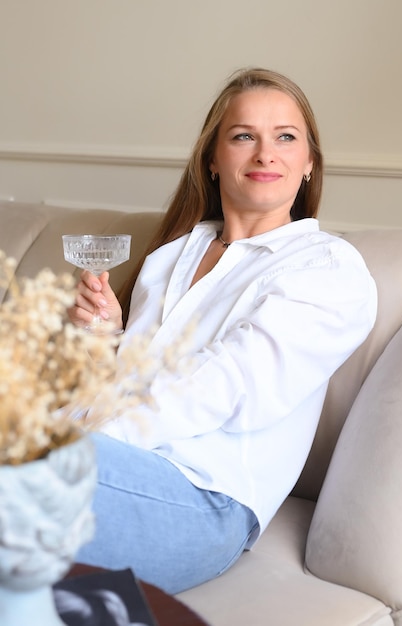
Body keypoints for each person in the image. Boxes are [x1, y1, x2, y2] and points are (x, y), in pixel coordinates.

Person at [68, 67, 377, 594]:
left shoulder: (328, 269)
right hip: (110, 465)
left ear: (308, 164)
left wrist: (69, 439)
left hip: (202, 499)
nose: (265, 153)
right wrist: (105, 340)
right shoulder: (169, 258)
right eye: (243, 136)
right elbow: (121, 384)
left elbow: (226, 386)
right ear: (213, 160)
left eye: (285, 137)